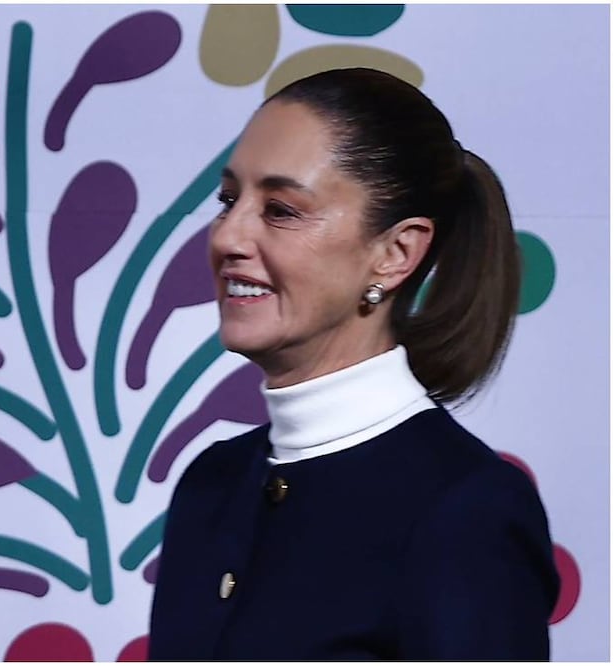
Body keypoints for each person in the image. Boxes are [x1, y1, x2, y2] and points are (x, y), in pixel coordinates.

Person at [147, 67, 560, 661]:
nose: (227, 237)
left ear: (395, 253)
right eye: (229, 200)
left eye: (282, 209)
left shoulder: (467, 509)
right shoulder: (211, 483)